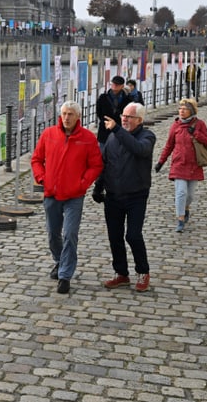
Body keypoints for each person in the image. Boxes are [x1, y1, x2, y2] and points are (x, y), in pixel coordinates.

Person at [31, 100, 103, 295]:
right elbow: (36, 159)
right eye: (63, 113)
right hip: (52, 193)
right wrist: (42, 178)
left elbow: (96, 165)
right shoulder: (49, 134)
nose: (66, 117)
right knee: (52, 235)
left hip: (74, 196)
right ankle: (59, 261)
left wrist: (82, 183)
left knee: (70, 234)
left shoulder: (87, 138)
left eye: (70, 114)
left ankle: (65, 276)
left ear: (78, 116)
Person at [93, 102, 156, 292]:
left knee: (133, 235)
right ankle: (121, 273)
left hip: (136, 194)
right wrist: (98, 186)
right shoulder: (113, 137)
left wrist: (118, 129)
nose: (124, 119)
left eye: (129, 117)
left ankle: (143, 271)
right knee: (115, 236)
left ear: (139, 120)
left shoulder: (147, 136)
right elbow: (106, 163)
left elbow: (138, 149)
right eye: (123, 116)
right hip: (113, 195)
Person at [155, 98, 207, 232]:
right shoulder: (175, 125)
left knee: (190, 195)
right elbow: (169, 145)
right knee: (181, 192)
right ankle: (180, 219)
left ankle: (186, 208)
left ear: (191, 111)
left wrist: (196, 133)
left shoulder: (199, 124)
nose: (181, 111)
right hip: (179, 163)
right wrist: (161, 162)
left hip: (194, 164)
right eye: (180, 108)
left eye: (184, 109)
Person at [96, 75, 131, 148]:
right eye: (113, 84)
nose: (115, 86)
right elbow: (98, 111)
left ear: (122, 86)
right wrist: (105, 120)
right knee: (103, 153)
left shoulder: (127, 99)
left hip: (120, 128)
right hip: (105, 128)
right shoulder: (103, 97)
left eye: (117, 84)